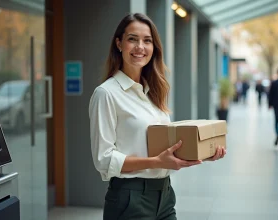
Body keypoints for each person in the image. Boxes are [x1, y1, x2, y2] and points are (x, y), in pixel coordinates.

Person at [89, 13, 226, 220]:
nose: (140, 47)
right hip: (130, 198)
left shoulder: (153, 92)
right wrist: (155, 162)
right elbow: (104, 159)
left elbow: (163, 145)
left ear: (154, 48)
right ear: (119, 44)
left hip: (165, 195)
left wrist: (202, 152)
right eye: (132, 39)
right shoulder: (106, 93)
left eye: (147, 41)